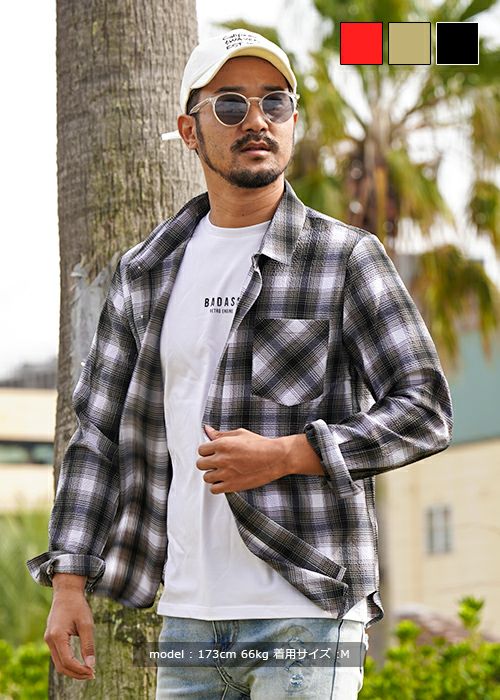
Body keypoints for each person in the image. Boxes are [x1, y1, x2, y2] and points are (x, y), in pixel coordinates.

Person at [27, 29, 453, 699]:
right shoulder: (145, 274)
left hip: (308, 607)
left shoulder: (344, 257)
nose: (256, 120)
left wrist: (290, 453)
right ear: (189, 131)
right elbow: (98, 435)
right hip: (188, 615)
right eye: (230, 104)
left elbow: (425, 409)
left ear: (293, 123)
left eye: (274, 102)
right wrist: (68, 581)